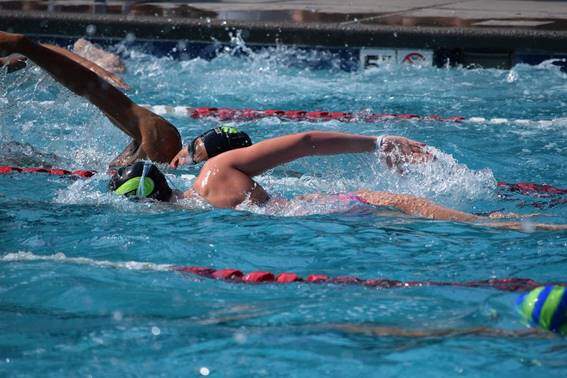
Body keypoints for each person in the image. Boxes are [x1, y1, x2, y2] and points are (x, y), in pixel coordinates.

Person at [2, 32, 565, 231]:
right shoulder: (211, 177)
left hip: (351, 208)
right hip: (351, 207)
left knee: (503, 224)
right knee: (498, 223)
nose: (194, 147)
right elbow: (302, 144)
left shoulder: (198, 183)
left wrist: (381, 143)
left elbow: (303, 143)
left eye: (198, 144)